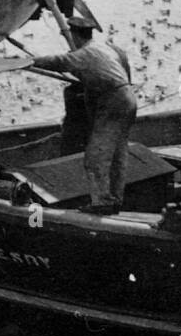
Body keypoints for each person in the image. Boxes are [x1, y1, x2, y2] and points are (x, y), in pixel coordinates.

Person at [32, 17, 135, 214]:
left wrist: (28, 62)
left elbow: (59, 61)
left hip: (112, 102)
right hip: (127, 98)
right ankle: (115, 199)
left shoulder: (85, 53)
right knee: (118, 154)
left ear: (74, 35)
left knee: (95, 157)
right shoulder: (106, 46)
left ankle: (102, 203)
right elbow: (124, 64)